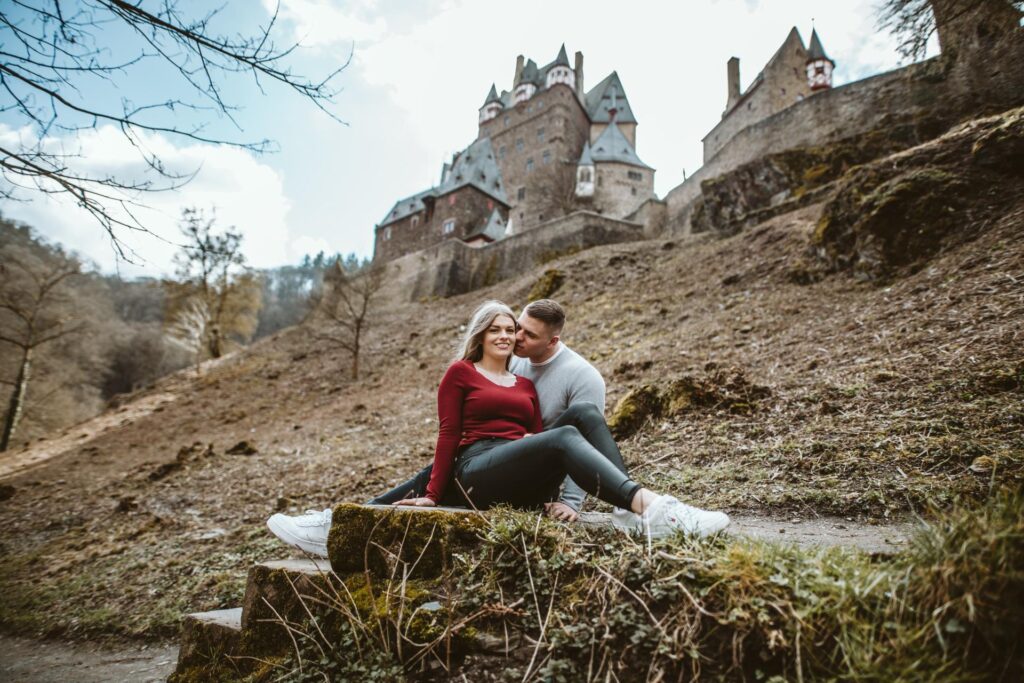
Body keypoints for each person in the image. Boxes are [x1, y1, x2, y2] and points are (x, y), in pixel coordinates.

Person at [267, 301, 729, 557]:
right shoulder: (460, 373)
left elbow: (532, 439)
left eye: (514, 331)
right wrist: (432, 492)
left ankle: (633, 513)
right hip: (473, 468)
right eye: (499, 330)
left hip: (510, 472)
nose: (509, 337)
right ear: (481, 335)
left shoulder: (525, 381)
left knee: (583, 418)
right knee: (563, 436)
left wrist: (562, 498)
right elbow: (448, 436)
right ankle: (655, 510)